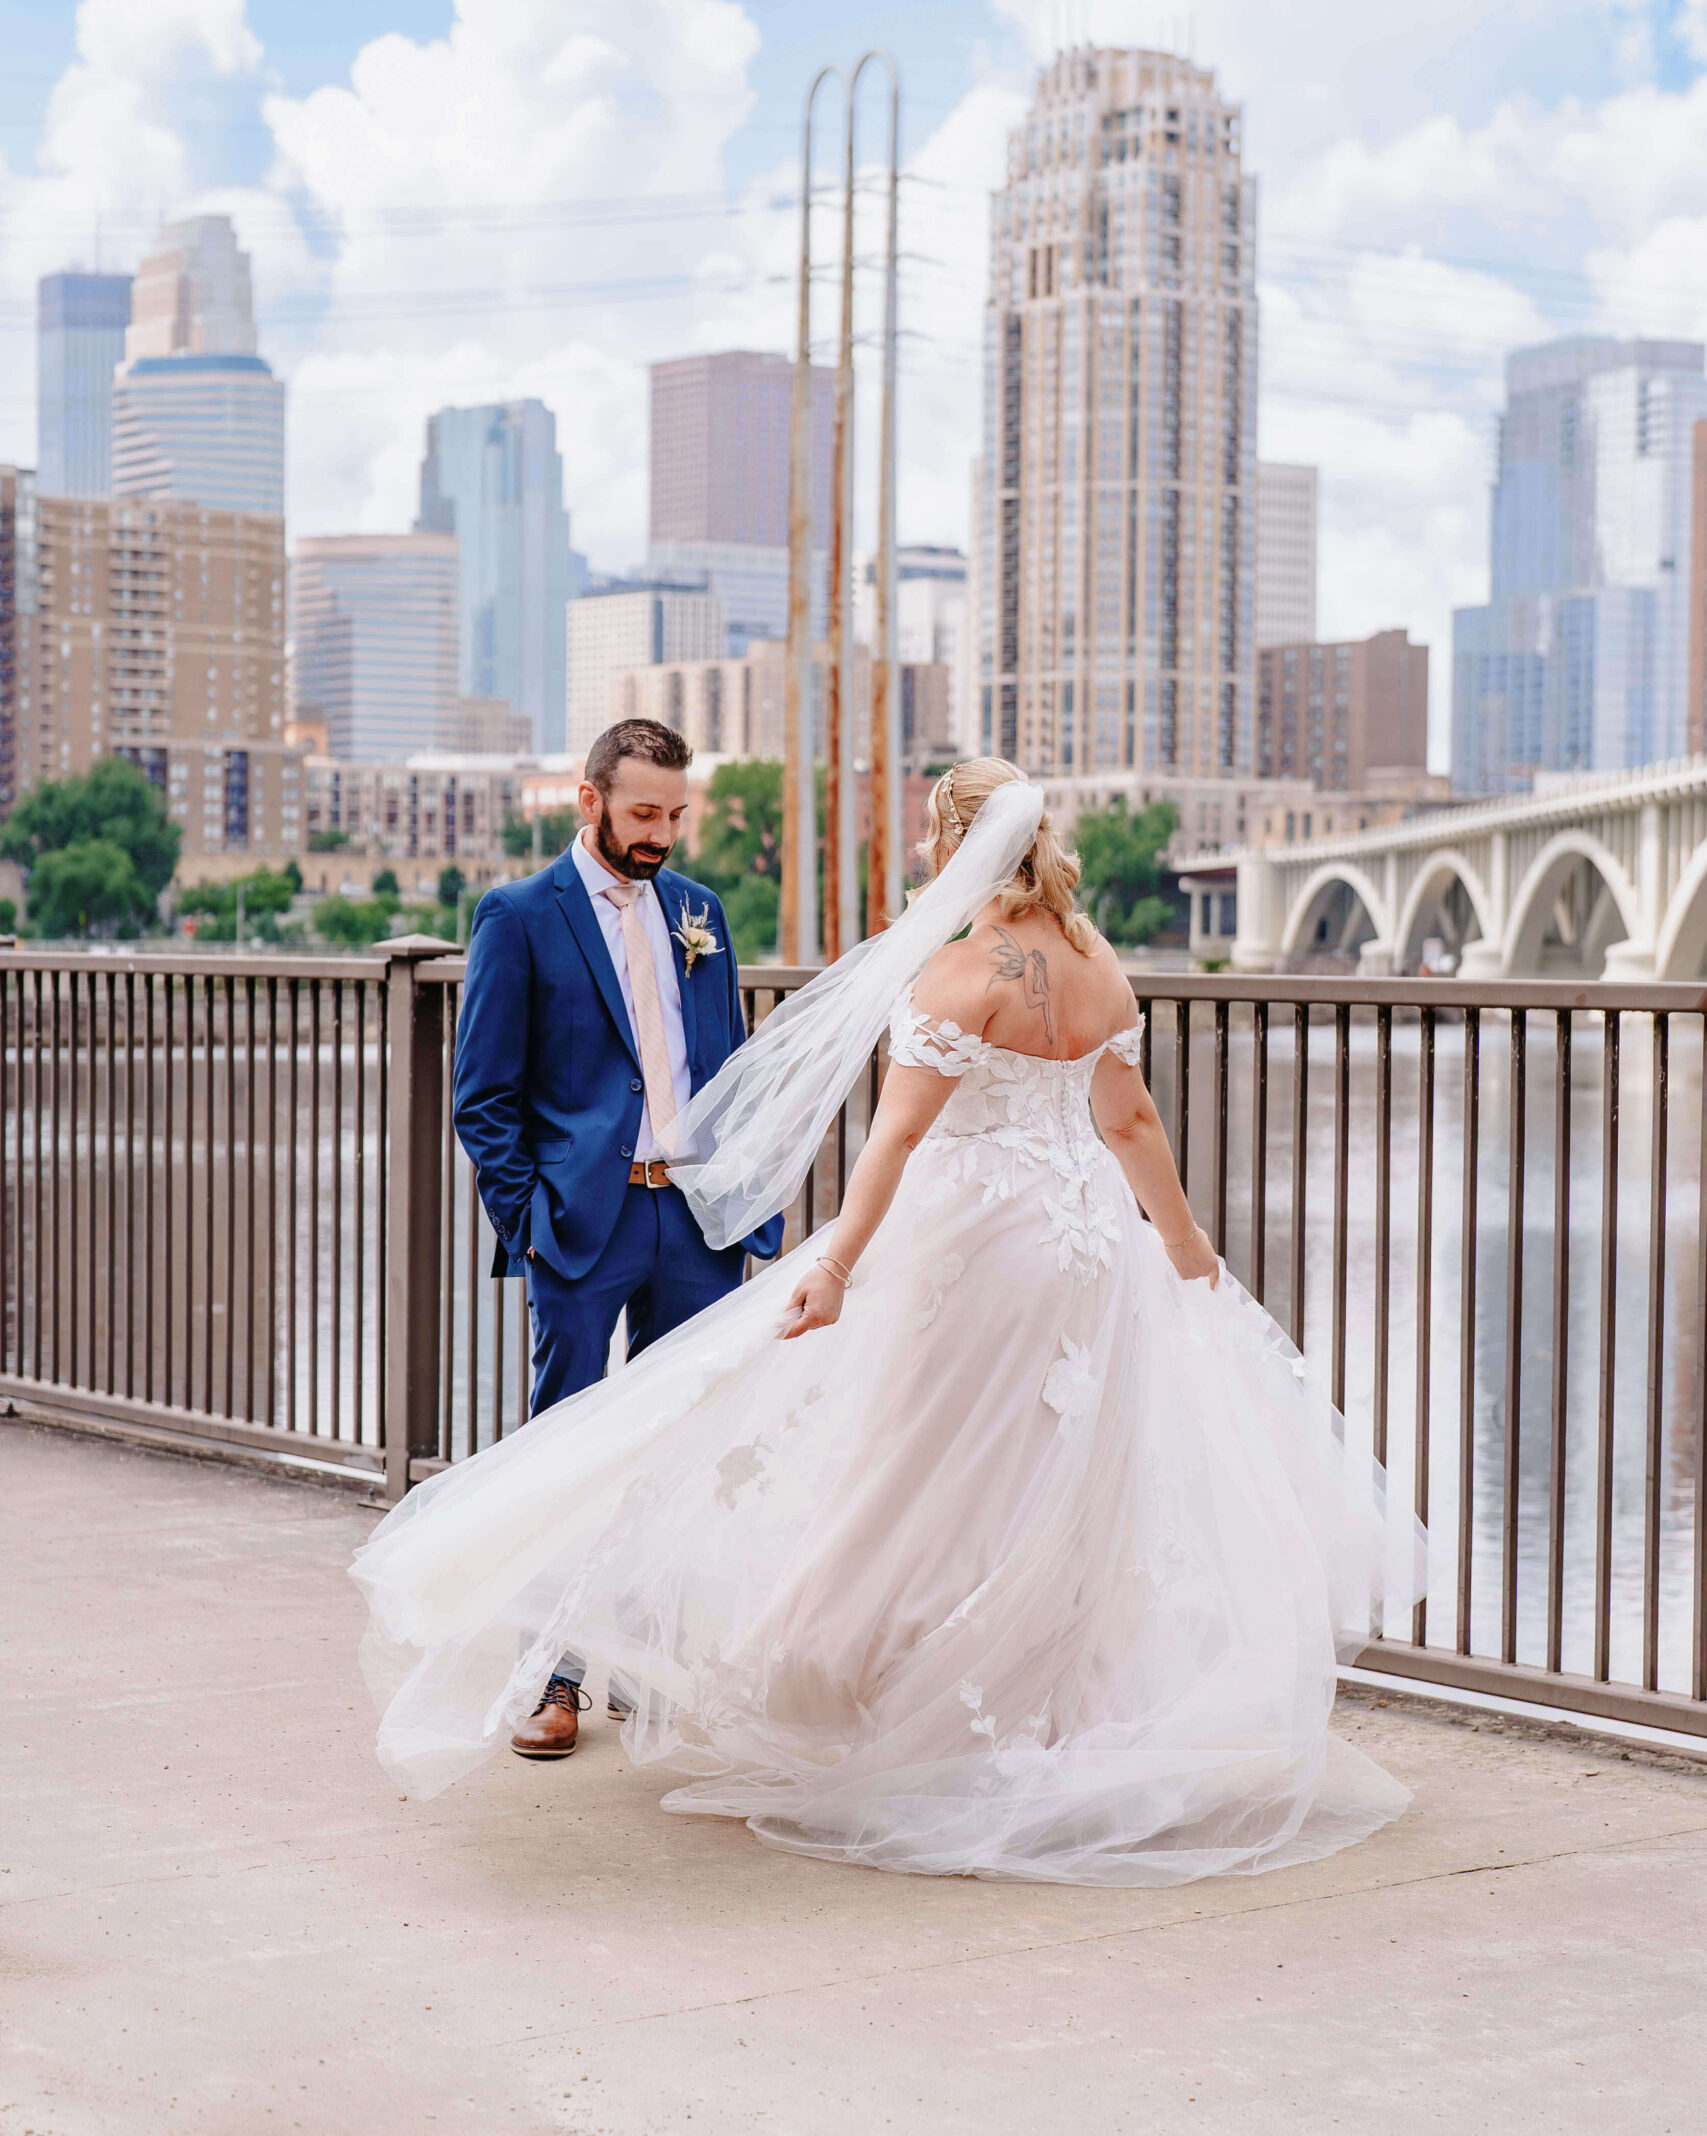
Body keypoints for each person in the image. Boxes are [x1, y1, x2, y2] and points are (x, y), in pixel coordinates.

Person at [356, 761, 1424, 1884]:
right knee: (1061, 1467)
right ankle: (1054, 1706)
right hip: (1092, 1249)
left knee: (922, 1460)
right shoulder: (1098, 960)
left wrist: (837, 1266)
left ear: (951, 845)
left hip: (977, 1249)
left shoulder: (957, 974)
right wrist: (1185, 1243)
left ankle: (899, 1697)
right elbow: (1132, 1116)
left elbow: (899, 1140)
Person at [449, 716, 782, 1760]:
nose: (663, 832)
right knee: (569, 1452)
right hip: (583, 1224)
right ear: (590, 799)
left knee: (685, 1449)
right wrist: (533, 1223)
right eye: (644, 811)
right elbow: (484, 1098)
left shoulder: (701, 912)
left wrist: (742, 1202)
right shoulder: (518, 916)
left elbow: (726, 1069)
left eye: (677, 813)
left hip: (690, 1222)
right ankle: (552, 1674)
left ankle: (650, 1663)